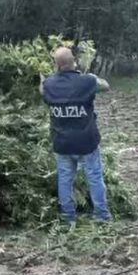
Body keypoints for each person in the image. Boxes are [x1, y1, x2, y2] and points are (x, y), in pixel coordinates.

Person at [40, 47, 111, 224]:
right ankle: (101, 216)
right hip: (86, 143)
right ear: (74, 61)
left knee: (64, 180)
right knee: (94, 178)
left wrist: (42, 80)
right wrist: (93, 77)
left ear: (56, 65)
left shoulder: (49, 84)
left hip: (62, 143)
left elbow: (42, 90)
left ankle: (68, 217)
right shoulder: (86, 81)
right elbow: (105, 86)